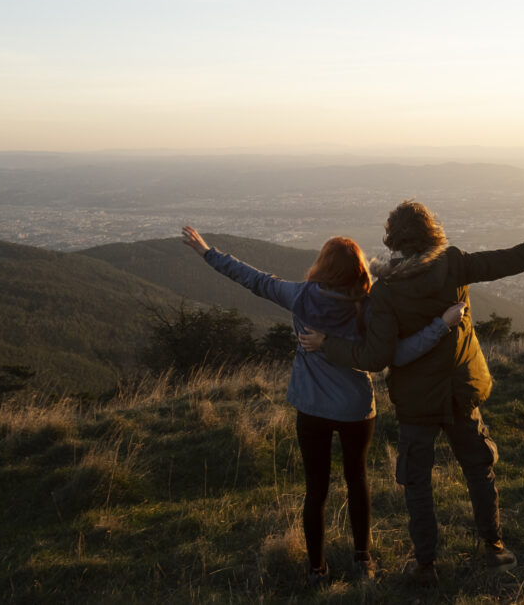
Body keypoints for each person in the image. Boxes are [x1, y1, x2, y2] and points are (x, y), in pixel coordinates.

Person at [298, 201, 524, 583]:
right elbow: (513, 259)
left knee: (417, 482)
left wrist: (325, 344)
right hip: (460, 391)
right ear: (431, 232)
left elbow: (375, 357)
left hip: (416, 401)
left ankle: (425, 565)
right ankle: (494, 548)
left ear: (393, 239)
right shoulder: (453, 264)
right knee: (478, 468)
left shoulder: (386, 292)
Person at [181, 226, 465, 587]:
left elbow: (251, 278)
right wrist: (441, 325)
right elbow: (397, 354)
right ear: (358, 270)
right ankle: (363, 560)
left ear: (323, 267)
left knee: (316, 489)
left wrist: (207, 252)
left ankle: (317, 568)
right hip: (355, 410)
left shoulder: (300, 297)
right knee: (357, 481)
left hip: (311, 408)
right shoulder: (371, 305)